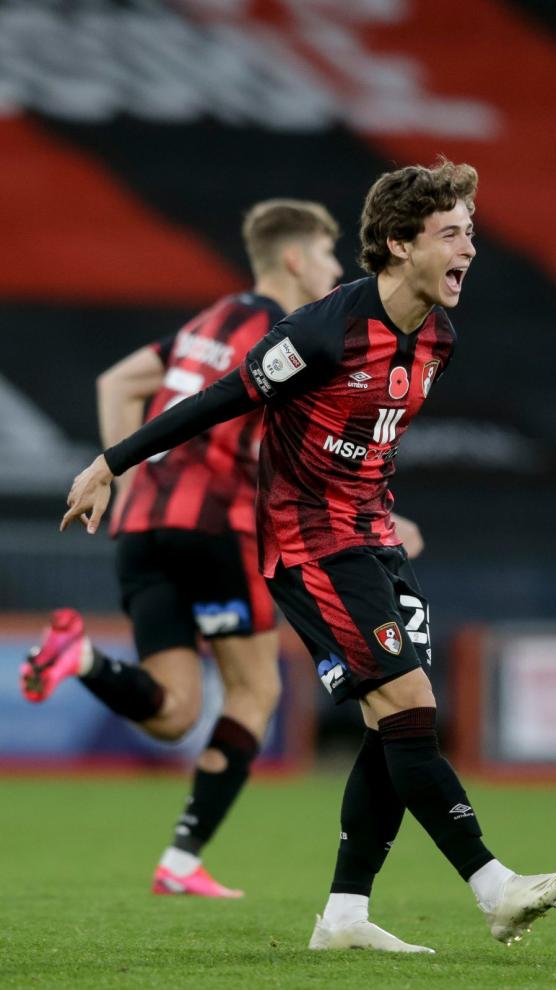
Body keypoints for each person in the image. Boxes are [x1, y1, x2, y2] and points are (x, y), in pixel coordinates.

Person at [56, 159, 556, 951]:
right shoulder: (320, 330)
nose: (469, 248)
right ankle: (494, 886)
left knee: (396, 722)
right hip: (310, 545)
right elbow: (215, 398)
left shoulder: (439, 337)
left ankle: (343, 916)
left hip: (372, 536)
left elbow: (369, 442)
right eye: (451, 234)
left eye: (470, 232)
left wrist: (387, 512)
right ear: (401, 244)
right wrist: (110, 463)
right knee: (406, 707)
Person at [20, 199, 344, 897]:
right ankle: (183, 860)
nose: (336, 268)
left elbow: (120, 382)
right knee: (258, 689)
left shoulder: (210, 320)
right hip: (216, 530)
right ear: (294, 260)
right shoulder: (290, 336)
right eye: (326, 253)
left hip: (142, 529)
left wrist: (122, 475)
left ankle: (79, 657)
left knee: (173, 713)